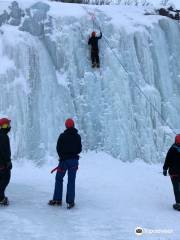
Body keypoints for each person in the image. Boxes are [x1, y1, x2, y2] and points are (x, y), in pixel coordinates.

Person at [49, 118, 82, 209]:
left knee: (59, 178)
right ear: (73, 125)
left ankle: (57, 199)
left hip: (64, 161)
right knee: (71, 181)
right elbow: (79, 149)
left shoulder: (62, 136)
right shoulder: (77, 136)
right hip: (74, 161)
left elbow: (58, 148)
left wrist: (62, 156)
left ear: (66, 126)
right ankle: (70, 202)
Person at [163, 134, 180, 211]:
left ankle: (178, 203)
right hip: (174, 173)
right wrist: (165, 169)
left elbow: (167, 160)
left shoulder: (172, 149)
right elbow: (168, 160)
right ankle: (178, 203)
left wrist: (165, 169)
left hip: (174, 173)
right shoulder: (172, 149)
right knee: (177, 188)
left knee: (177, 188)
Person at [0, 118, 12, 206]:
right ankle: (0, 198)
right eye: (5, 125)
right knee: (5, 179)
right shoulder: (4, 136)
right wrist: (8, 162)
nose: (8, 127)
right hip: (2, 163)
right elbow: (5, 151)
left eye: (8, 125)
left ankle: (1, 196)